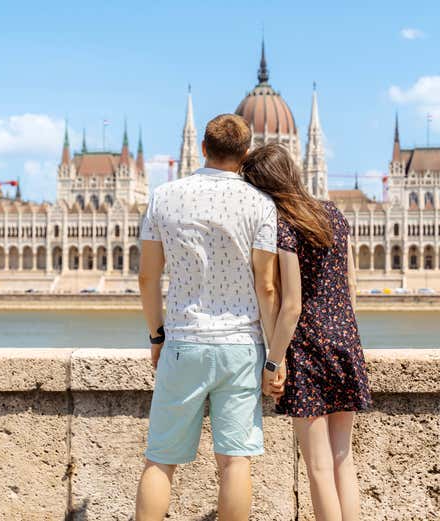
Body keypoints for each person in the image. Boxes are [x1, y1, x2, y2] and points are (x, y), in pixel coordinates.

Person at [134, 114, 279, 521]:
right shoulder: (261, 203)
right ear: (246, 153)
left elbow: (147, 276)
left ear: (202, 148)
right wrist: (274, 357)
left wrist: (156, 336)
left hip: (183, 341)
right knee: (235, 461)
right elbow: (267, 286)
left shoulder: (164, 196)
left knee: (161, 459)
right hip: (241, 347)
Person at [241, 143, 372, 521]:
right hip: (346, 342)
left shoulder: (284, 227)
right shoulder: (335, 214)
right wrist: (343, 331)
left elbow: (292, 305)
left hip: (307, 351)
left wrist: (273, 361)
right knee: (342, 458)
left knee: (317, 466)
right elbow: (351, 284)